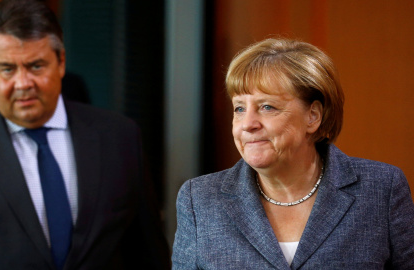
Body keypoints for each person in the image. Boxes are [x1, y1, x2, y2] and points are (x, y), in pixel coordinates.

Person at [0, 0, 170, 269]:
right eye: (7, 69)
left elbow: (149, 254)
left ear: (61, 62)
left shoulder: (120, 137)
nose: (23, 84)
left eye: (36, 66)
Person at [172, 38, 414, 269]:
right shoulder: (199, 200)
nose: (247, 124)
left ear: (313, 116)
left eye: (267, 107)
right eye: (239, 108)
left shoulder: (382, 189)